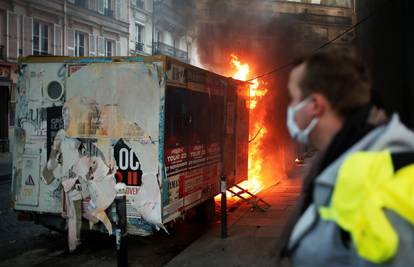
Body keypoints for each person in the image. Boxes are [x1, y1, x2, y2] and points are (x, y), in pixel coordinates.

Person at [282, 48, 414, 266]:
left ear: (315, 105)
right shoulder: (338, 162)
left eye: (294, 97)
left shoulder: (388, 181)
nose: (290, 108)